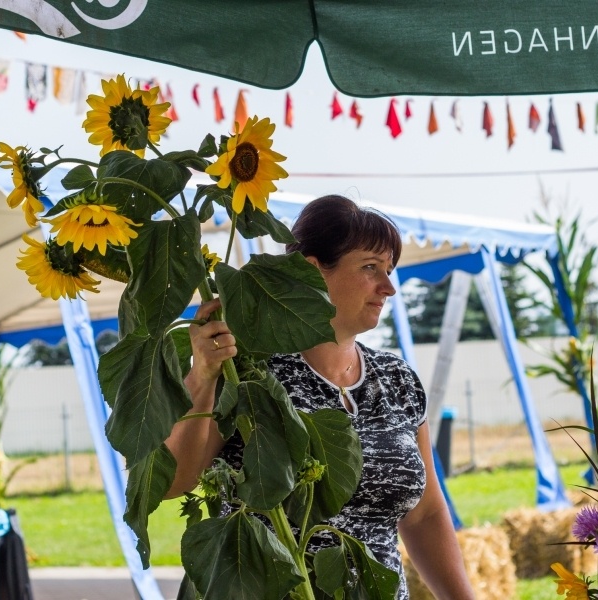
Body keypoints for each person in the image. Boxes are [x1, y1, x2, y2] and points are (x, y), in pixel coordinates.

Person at [165, 195, 474, 600]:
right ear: (313, 272)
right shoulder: (250, 372)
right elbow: (172, 481)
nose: (389, 287)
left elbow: (425, 514)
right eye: (370, 268)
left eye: (389, 270)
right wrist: (203, 375)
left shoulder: (397, 380)